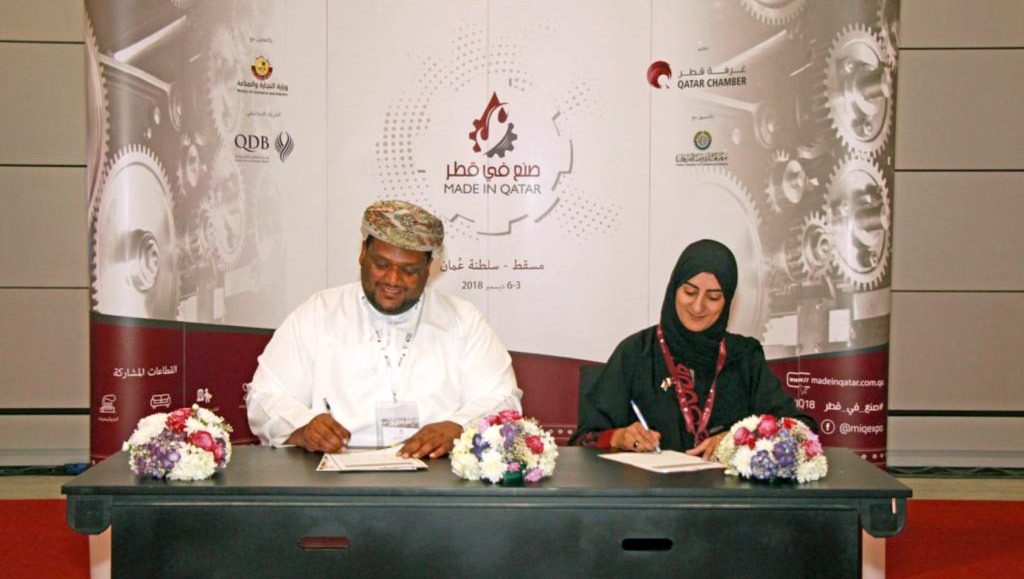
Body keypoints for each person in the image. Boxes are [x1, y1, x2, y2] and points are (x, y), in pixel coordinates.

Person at [246, 199, 522, 459]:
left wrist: (458, 427)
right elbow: (266, 396)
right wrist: (305, 427)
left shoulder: (462, 319)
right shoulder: (320, 313)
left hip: (435, 475)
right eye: (381, 265)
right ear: (362, 253)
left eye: (409, 271)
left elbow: (501, 397)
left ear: (429, 267)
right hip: (335, 475)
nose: (392, 279)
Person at [572, 239, 815, 459]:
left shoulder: (744, 357)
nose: (698, 306)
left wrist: (740, 439)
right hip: (652, 502)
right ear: (673, 289)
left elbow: (802, 429)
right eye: (689, 292)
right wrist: (619, 437)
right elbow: (584, 441)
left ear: (727, 301)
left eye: (713, 297)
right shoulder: (636, 353)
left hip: (729, 502)